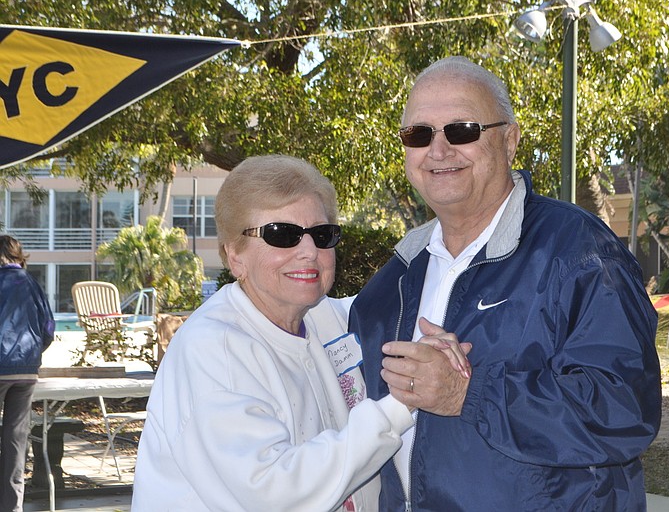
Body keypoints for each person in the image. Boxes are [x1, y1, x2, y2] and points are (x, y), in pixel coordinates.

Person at [349, 56, 662, 510]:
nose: (438, 150)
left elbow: (624, 408)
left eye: (462, 130)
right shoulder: (394, 281)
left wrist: (468, 393)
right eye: (419, 134)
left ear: (510, 140)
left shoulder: (578, 251)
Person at [132, 155, 469, 511]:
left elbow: (422, 315)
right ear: (234, 256)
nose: (309, 252)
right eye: (282, 235)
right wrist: (402, 402)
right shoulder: (213, 349)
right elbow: (278, 494)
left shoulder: (331, 319)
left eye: (322, 235)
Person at [0, 235, 54, 512]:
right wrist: (32, 355)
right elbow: (48, 328)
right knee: (15, 440)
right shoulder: (31, 283)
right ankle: (12, 506)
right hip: (26, 370)